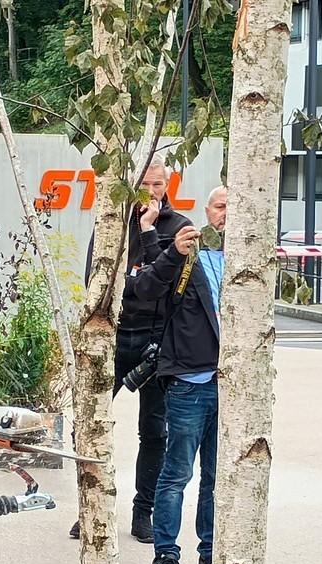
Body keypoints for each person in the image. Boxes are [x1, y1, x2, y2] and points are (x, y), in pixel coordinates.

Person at [71, 155, 193, 543]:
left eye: (158, 185)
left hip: (156, 341)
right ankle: (90, 507)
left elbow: (167, 285)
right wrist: (141, 280)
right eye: (144, 186)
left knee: (154, 431)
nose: (151, 193)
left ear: (168, 185)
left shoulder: (179, 227)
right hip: (113, 335)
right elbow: (98, 280)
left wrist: (145, 259)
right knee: (89, 423)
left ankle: (144, 512)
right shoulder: (112, 225)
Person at [132, 185, 227, 564]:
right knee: (176, 474)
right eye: (220, 206)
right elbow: (147, 289)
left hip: (231, 385)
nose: (227, 213)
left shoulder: (250, 262)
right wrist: (170, 250)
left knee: (217, 477)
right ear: (207, 210)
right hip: (190, 380)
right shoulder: (191, 254)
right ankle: (166, 556)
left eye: (234, 206)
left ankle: (210, 554)